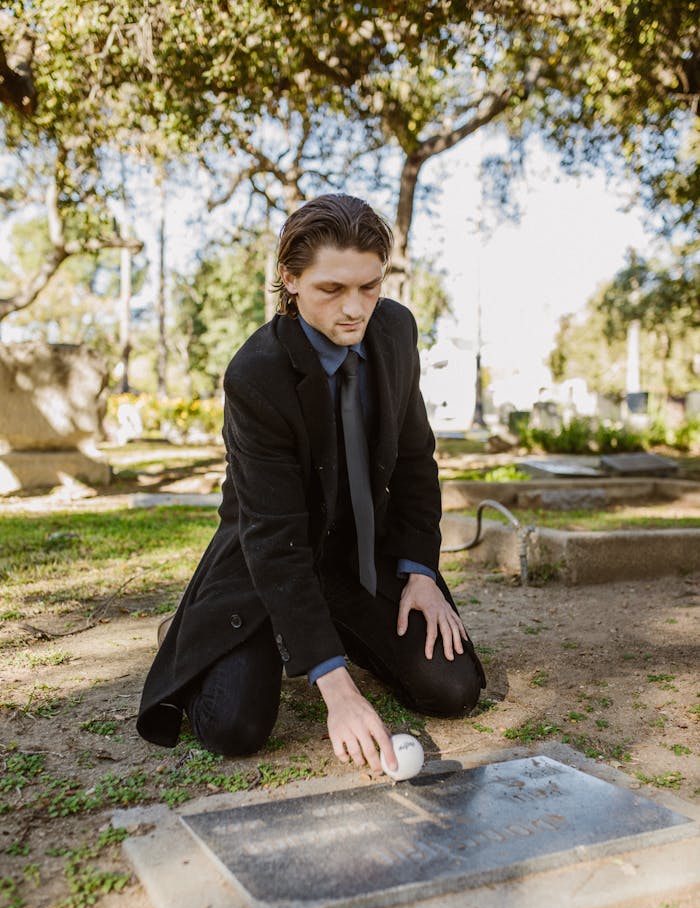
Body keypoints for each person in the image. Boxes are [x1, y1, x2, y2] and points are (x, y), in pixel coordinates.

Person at [137, 194, 485, 773]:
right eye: (332, 289)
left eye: (369, 286)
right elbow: (273, 540)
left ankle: (328, 626)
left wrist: (421, 573)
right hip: (265, 562)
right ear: (290, 279)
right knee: (236, 727)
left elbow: (415, 462)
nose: (355, 309)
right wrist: (337, 688)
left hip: (356, 561)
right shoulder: (256, 375)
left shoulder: (396, 332)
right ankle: (194, 626)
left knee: (453, 689)